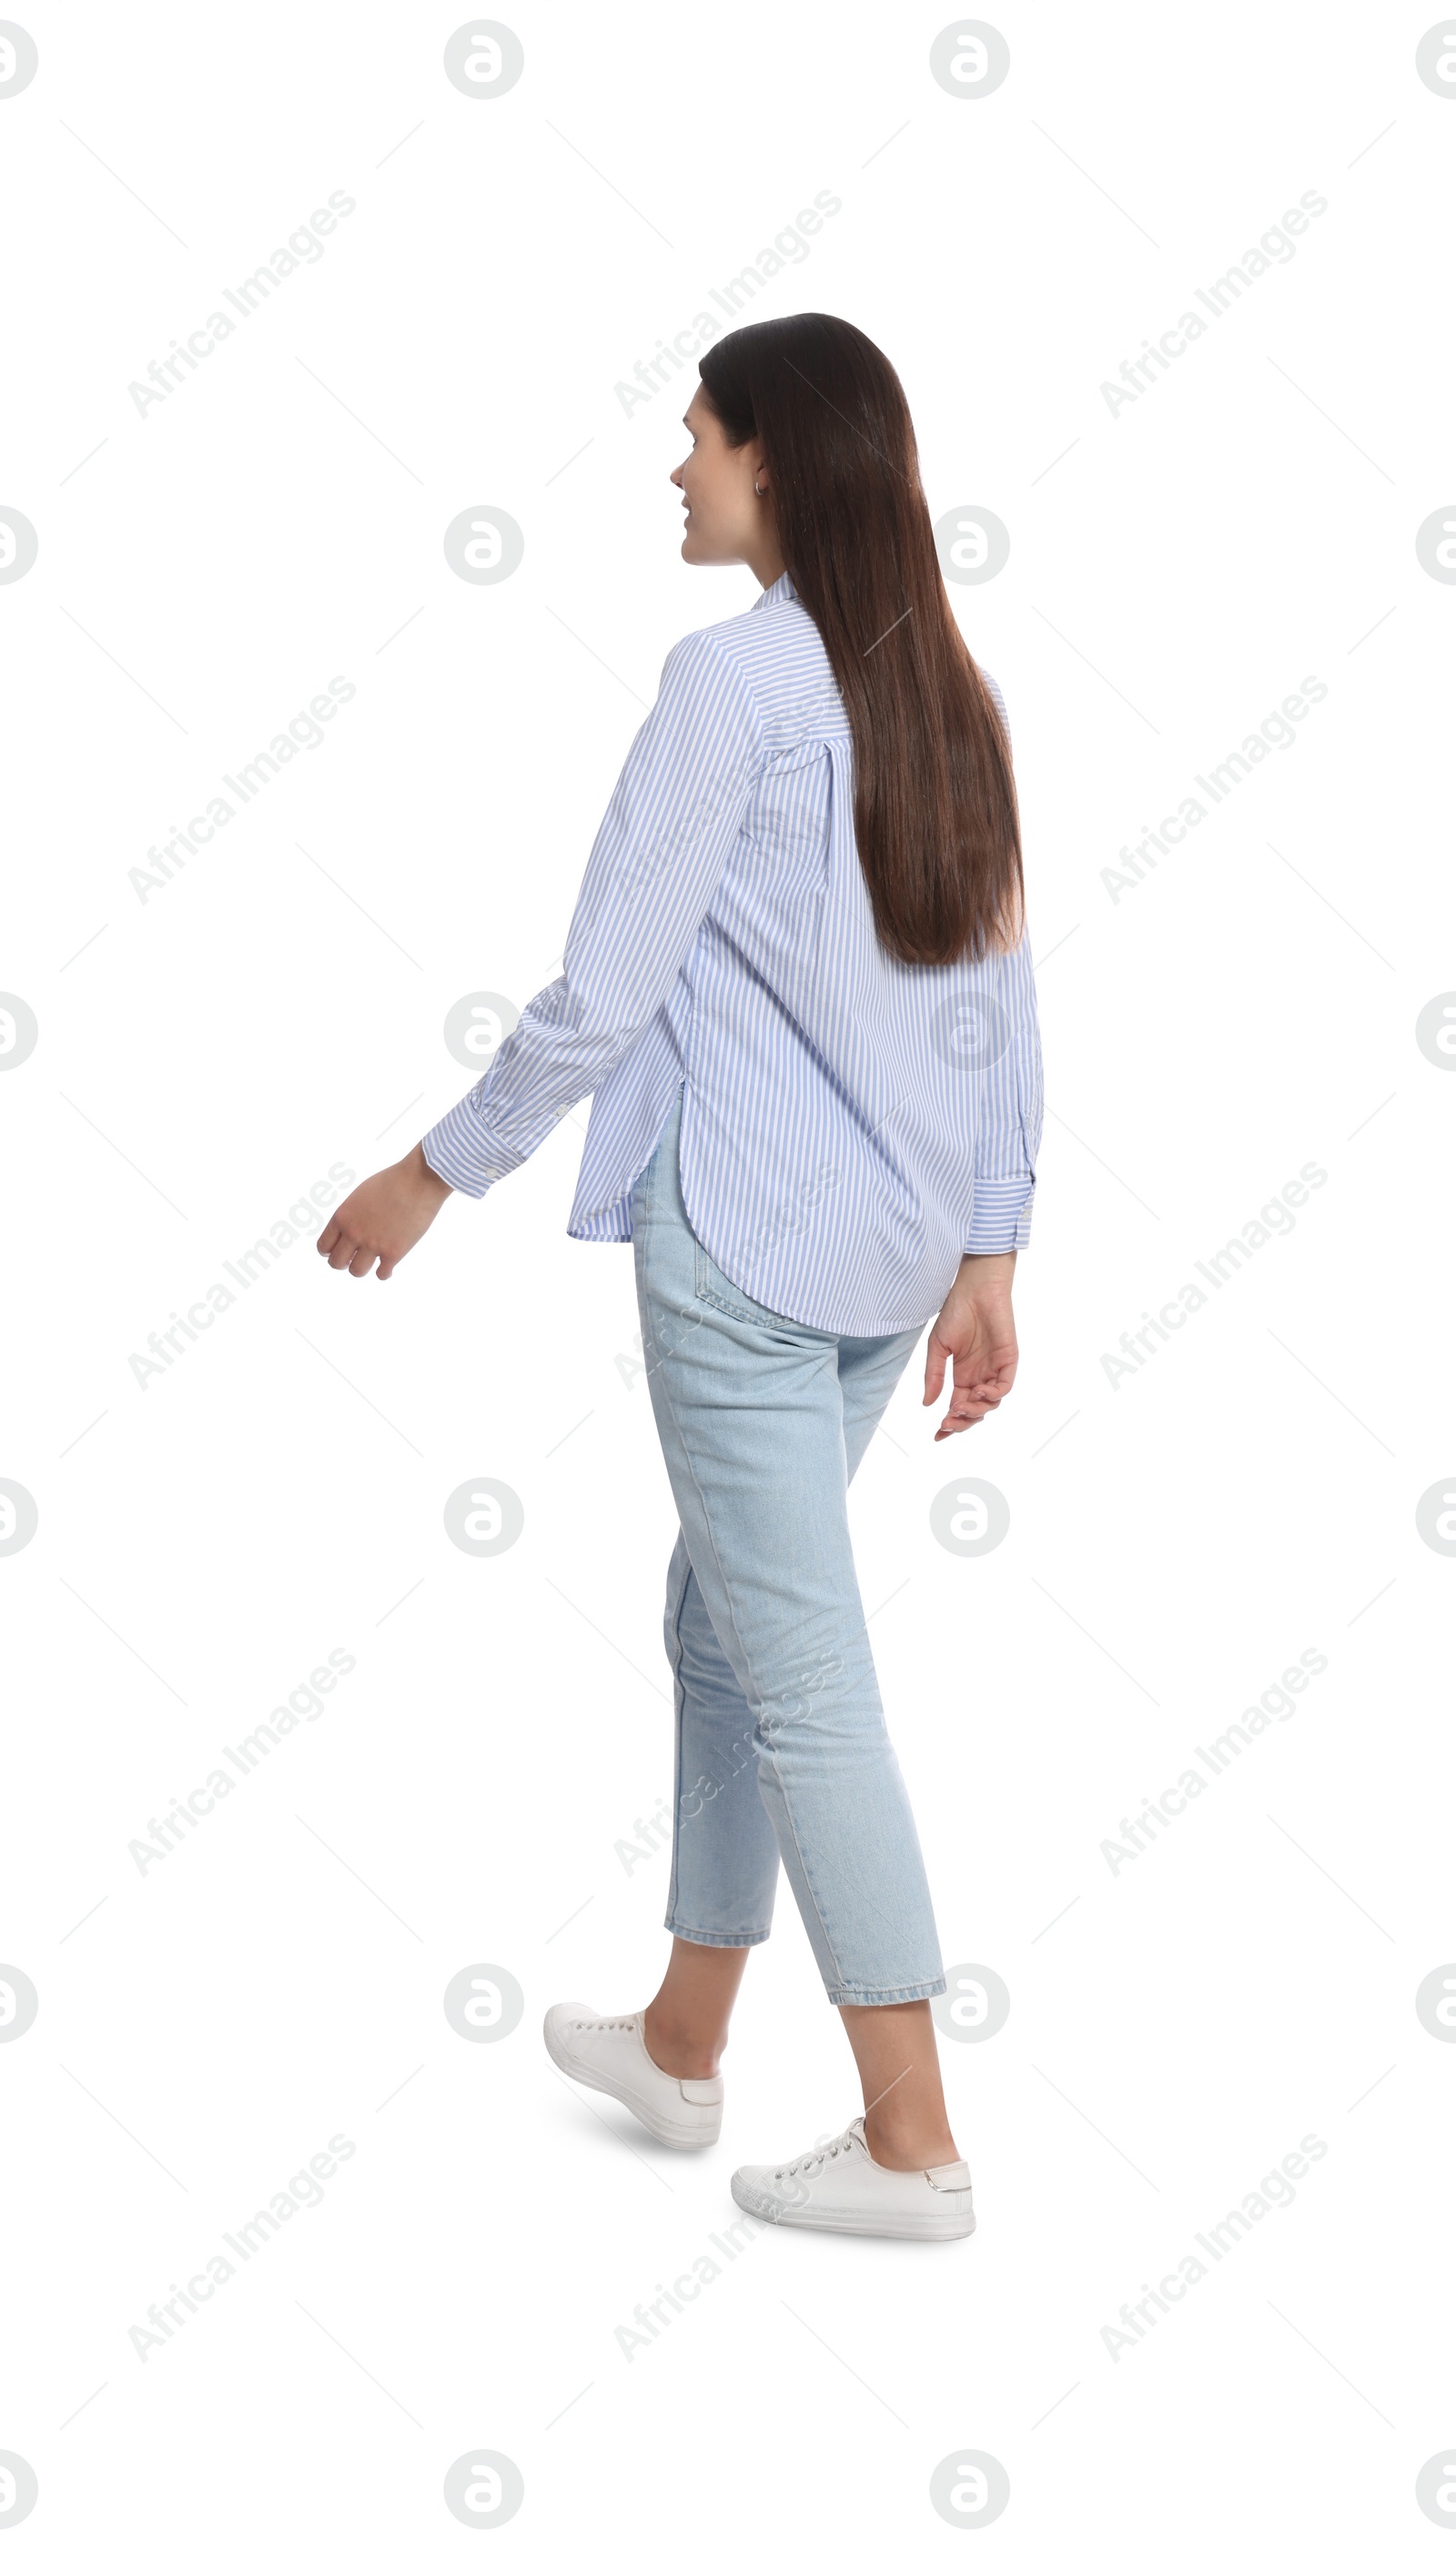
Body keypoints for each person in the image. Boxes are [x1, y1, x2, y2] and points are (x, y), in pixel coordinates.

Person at [316, 312, 1043, 2241]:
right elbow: (998, 1001)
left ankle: (909, 2143)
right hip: (886, 1260)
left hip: (739, 1253)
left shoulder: (729, 685)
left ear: (777, 465)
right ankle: (683, 2038)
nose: (675, 466)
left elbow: (599, 990)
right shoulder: (939, 691)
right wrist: (986, 1247)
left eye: (698, 435)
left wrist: (430, 1171)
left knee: (799, 1675)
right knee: (723, 1620)